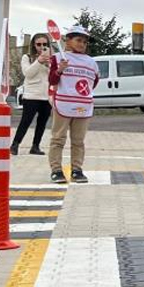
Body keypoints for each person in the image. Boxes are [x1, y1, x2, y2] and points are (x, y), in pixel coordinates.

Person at [47, 26, 99, 184]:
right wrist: (59, 71)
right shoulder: (58, 58)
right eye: (78, 40)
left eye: (84, 41)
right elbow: (52, 81)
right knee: (58, 138)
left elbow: (94, 82)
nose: (82, 44)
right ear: (67, 40)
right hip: (63, 103)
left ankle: (77, 169)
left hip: (83, 105)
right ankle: (56, 170)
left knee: (78, 140)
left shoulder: (91, 62)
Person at [12, 33, 53, 156]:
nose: (41, 47)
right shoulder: (27, 57)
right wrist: (38, 61)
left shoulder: (51, 58)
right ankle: (15, 144)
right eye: (38, 44)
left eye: (45, 44)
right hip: (31, 96)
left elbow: (54, 76)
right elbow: (28, 73)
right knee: (26, 121)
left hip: (46, 96)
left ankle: (35, 146)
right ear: (33, 45)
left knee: (42, 123)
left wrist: (49, 64)